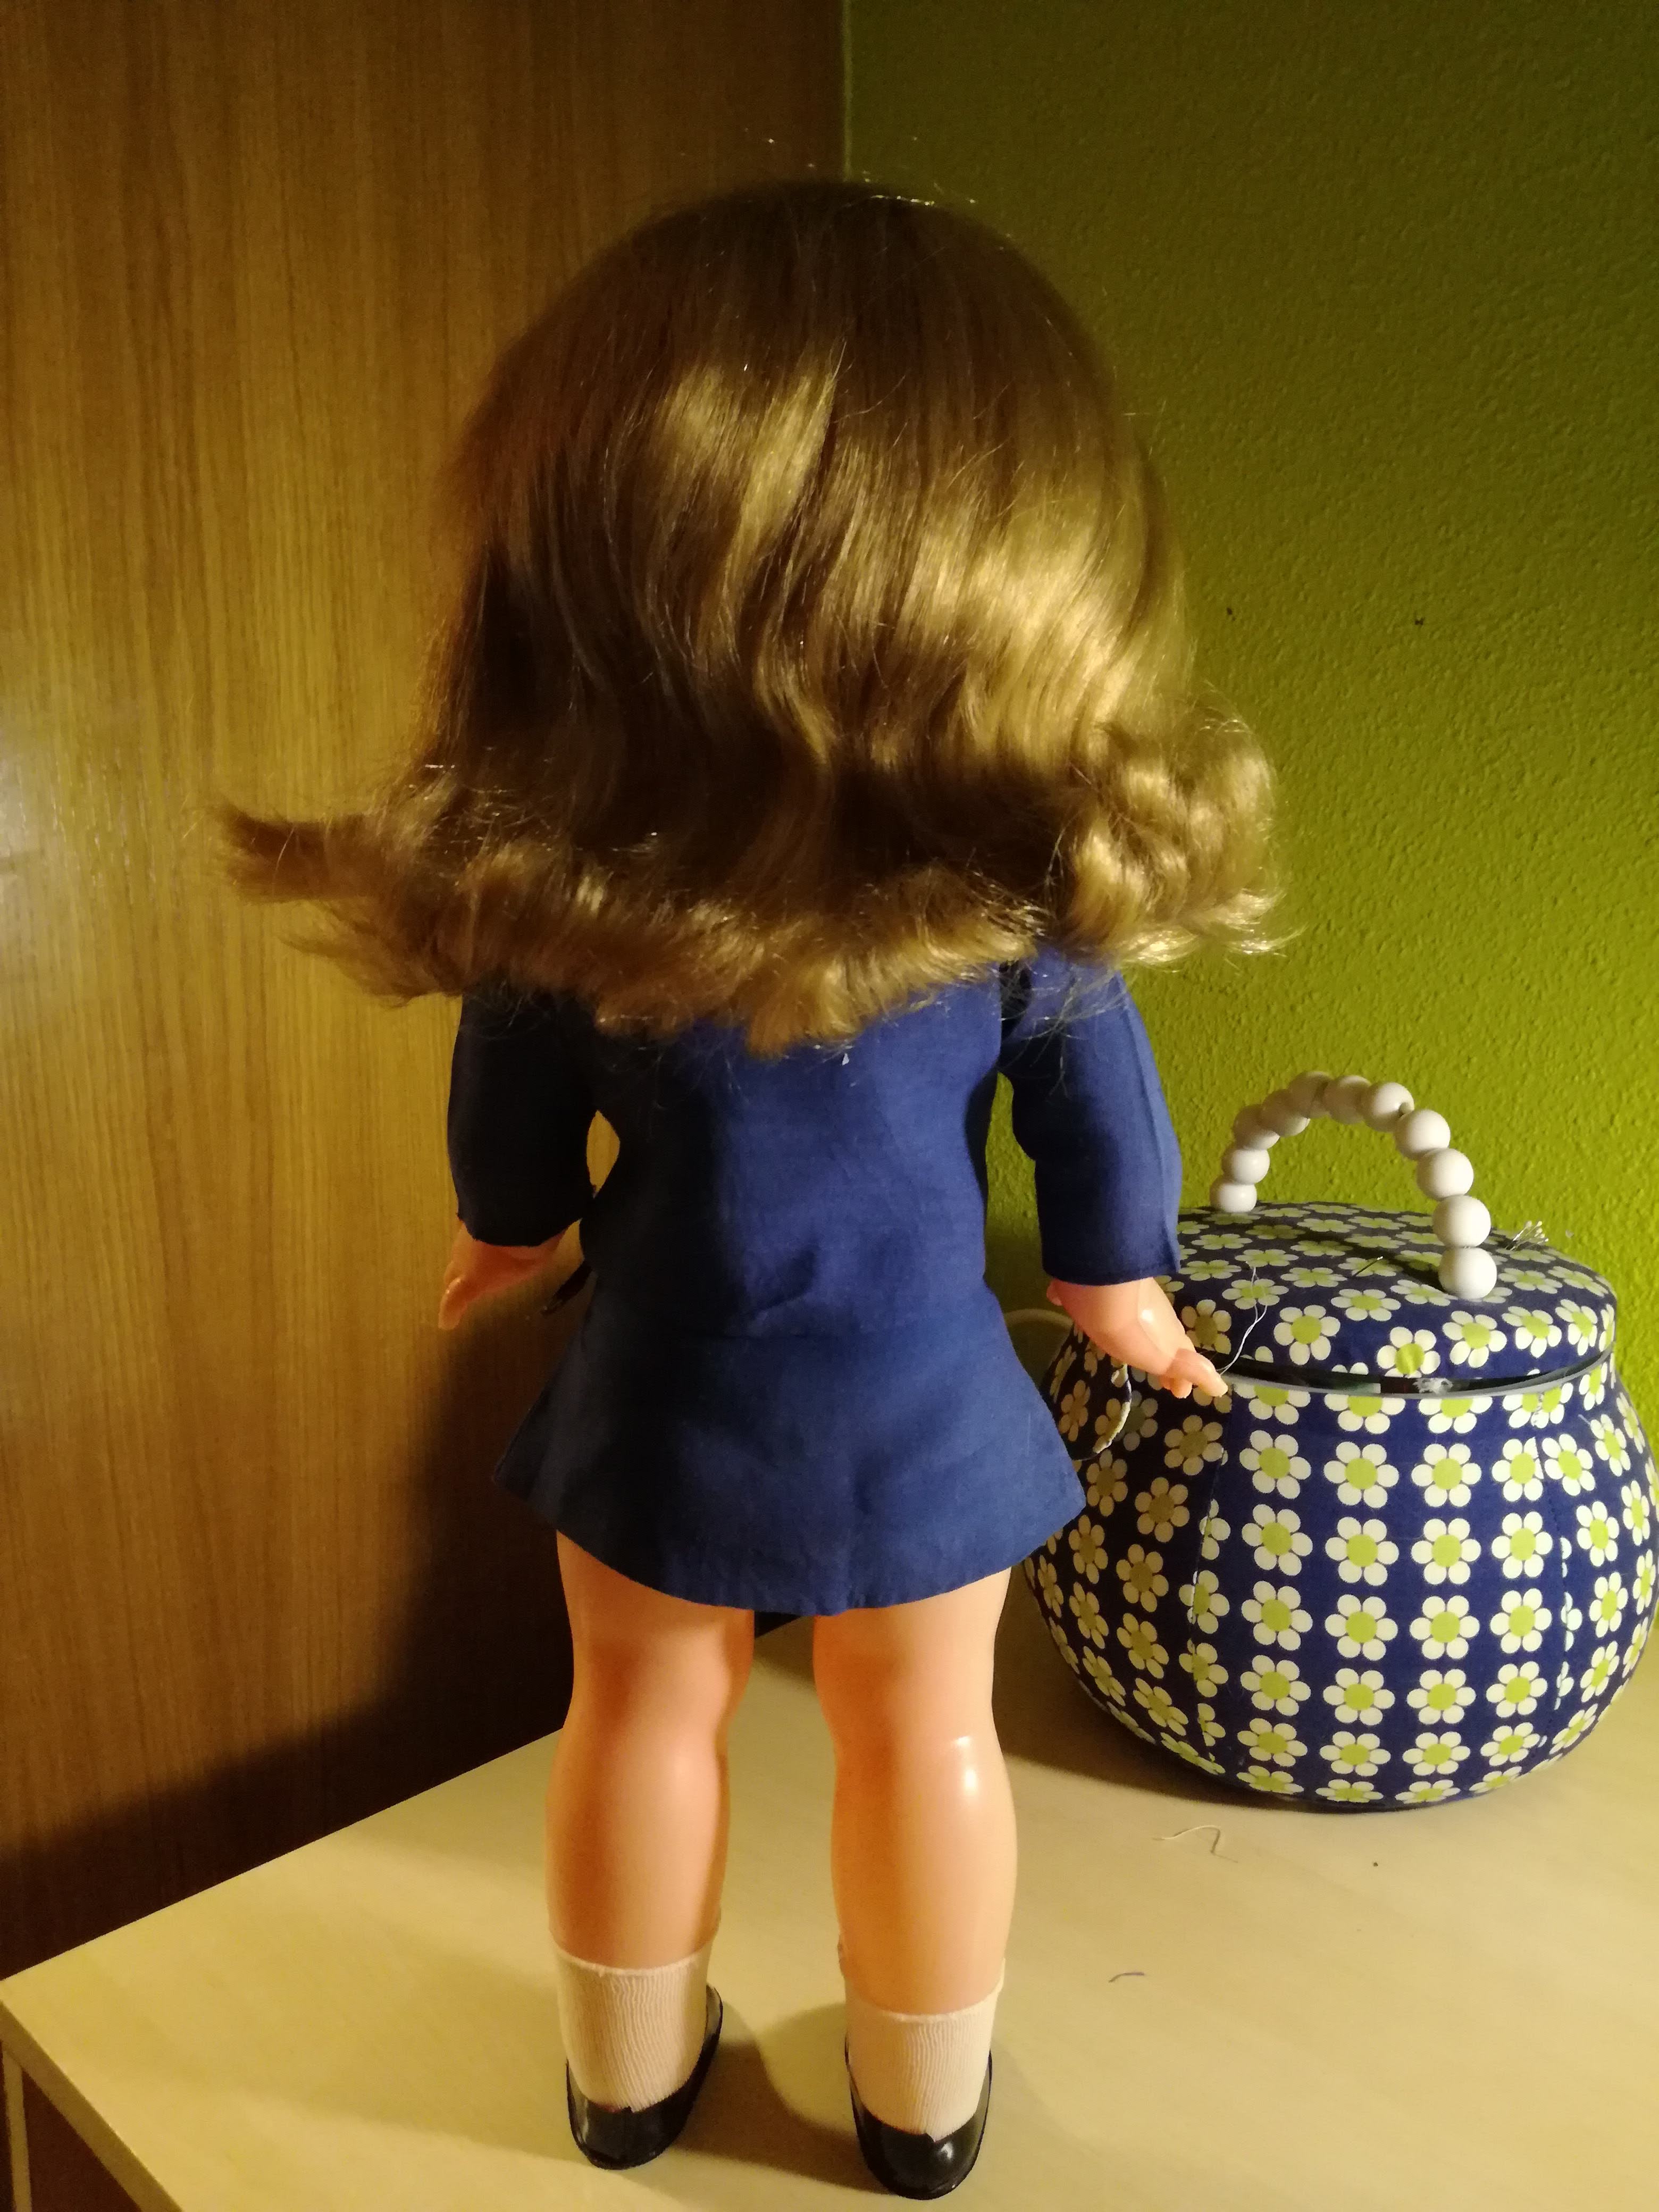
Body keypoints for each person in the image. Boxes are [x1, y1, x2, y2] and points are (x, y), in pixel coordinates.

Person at [214, 177, 1274, 2197]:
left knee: (632, 1712)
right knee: (926, 1733)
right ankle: (919, 2105)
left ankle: (623, 2082)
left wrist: (511, 1226)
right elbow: (1098, 1114)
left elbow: (509, 1106)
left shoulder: (578, 908)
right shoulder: (1015, 911)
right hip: (916, 1390)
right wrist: (1116, 1280)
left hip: (666, 1380)